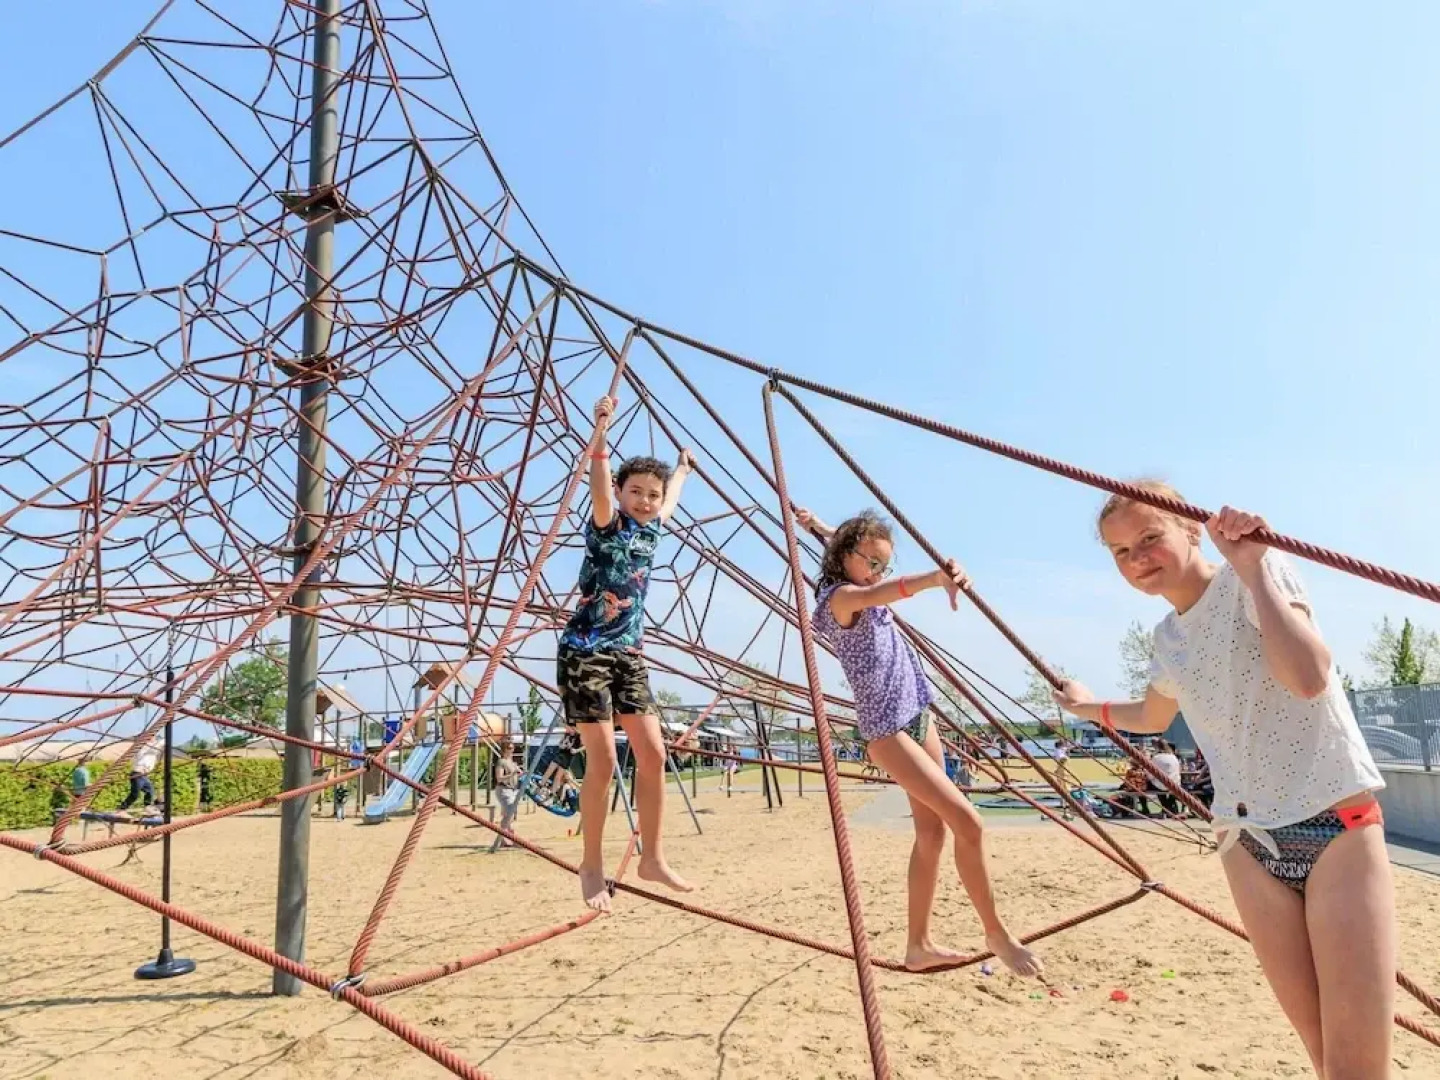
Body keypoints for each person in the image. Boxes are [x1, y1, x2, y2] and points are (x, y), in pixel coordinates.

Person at [1054, 483, 1390, 1079]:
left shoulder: (1252, 573)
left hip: (1333, 822)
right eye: (1120, 552)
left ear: (1190, 529)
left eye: (1150, 538)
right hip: (1246, 840)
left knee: (1358, 1068)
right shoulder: (1168, 638)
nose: (1138, 560)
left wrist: (1253, 568)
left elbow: (1309, 677)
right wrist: (1086, 709)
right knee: (1322, 1057)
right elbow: (1152, 717)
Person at [797, 506, 1042, 977]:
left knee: (933, 833)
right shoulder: (841, 600)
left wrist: (816, 526)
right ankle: (996, 932)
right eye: (871, 561)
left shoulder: (858, 575)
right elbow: (890, 588)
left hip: (917, 715)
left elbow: (848, 548)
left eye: (883, 564)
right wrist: (934, 578)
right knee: (969, 823)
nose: (877, 572)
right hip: (887, 732)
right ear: (845, 558)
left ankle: (918, 944)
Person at [558, 395, 697, 911]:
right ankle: (590, 865)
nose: (644, 500)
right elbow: (596, 477)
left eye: (651, 494)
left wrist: (681, 469)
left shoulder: (655, 528)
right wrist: (600, 430)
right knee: (603, 758)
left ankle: (652, 856)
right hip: (585, 652)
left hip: (629, 655)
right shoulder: (607, 525)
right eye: (634, 491)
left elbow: (675, 494)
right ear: (619, 493)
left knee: (655, 754)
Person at [490, 740, 521, 851]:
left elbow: (516, 775)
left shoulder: (511, 761)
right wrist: (512, 774)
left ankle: (504, 839)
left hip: (512, 790)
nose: (512, 750)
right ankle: (506, 839)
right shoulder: (501, 762)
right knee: (509, 815)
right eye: (509, 748)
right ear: (504, 750)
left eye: (513, 748)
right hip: (504, 790)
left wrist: (519, 773)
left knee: (509, 815)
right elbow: (499, 778)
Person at [118, 744, 159, 814]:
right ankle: (121, 810)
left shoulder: (152, 751)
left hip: (144, 775)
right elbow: (153, 748)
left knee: (150, 790)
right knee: (135, 794)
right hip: (137, 774)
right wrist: (163, 740)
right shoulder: (142, 748)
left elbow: (156, 749)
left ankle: (147, 806)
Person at [1148, 738, 1183, 816]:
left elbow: (1150, 773)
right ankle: (1168, 808)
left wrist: (1150, 778)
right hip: (1174, 783)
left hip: (1161, 784)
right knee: (1173, 789)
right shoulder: (1174, 757)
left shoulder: (1156, 757)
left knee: (1155, 786)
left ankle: (1166, 808)